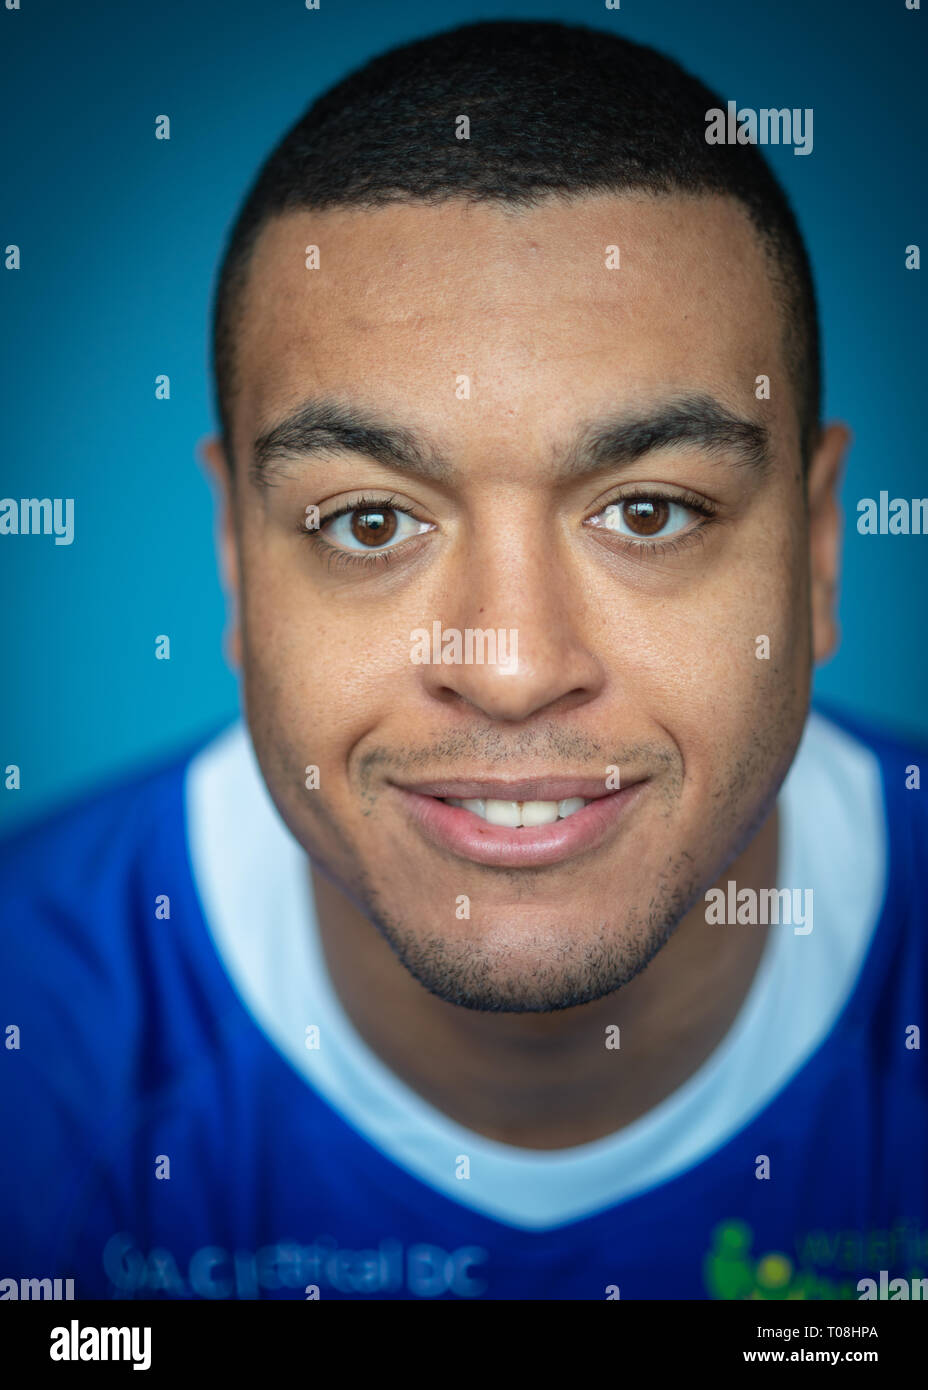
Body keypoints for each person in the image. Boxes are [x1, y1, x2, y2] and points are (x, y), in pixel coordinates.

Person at [1, 19, 925, 1302]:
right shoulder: (32, 1028)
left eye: (648, 511)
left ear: (818, 550)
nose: (509, 669)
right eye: (370, 521)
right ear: (233, 553)